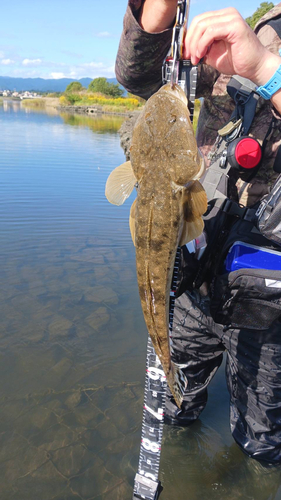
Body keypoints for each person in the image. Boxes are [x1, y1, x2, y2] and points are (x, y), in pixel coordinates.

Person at [116, 1, 281, 464]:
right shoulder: (255, 33)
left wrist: (268, 70)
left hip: (270, 296)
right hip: (194, 264)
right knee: (175, 404)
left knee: (261, 440)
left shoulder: (258, 51)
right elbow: (141, 75)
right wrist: (157, 13)